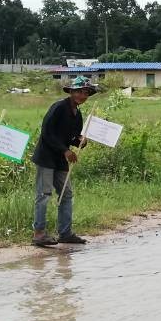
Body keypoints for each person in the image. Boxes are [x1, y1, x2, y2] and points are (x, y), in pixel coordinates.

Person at [33, 75, 101, 247]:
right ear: (71, 91)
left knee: (66, 194)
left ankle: (65, 233)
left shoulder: (77, 114)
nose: (82, 96)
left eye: (86, 92)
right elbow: (47, 133)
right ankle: (39, 234)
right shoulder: (58, 107)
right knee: (43, 195)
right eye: (79, 91)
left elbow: (72, 139)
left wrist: (81, 142)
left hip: (61, 159)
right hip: (47, 157)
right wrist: (65, 151)